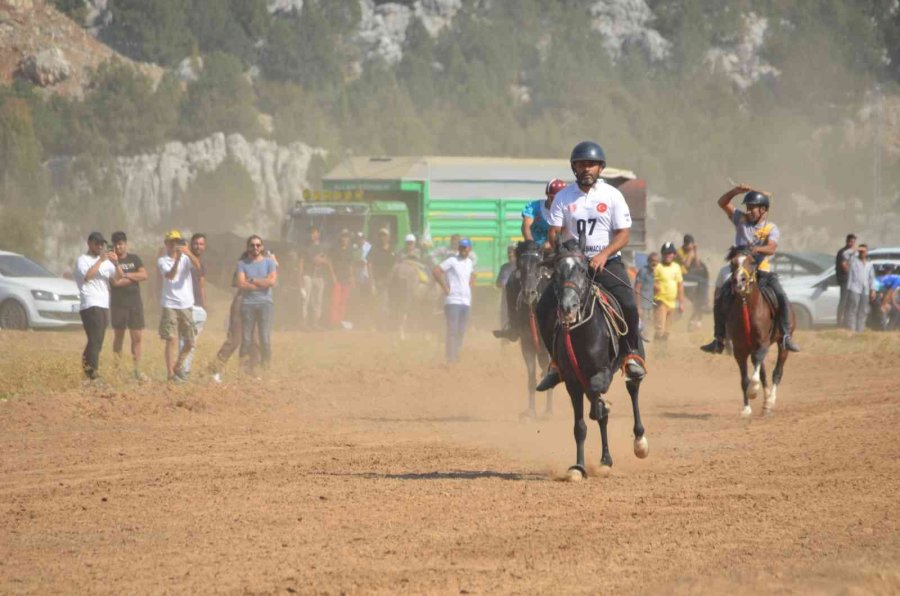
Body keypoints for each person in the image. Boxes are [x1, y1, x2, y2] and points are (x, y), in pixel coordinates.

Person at [536, 141, 647, 390]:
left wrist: (604, 254)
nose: (587, 168)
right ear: (574, 168)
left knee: (628, 303)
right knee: (543, 307)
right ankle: (555, 363)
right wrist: (564, 249)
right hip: (572, 264)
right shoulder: (564, 197)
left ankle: (631, 355)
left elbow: (623, 235)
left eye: (592, 164)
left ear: (600, 168)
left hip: (606, 263)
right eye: (581, 164)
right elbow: (554, 231)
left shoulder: (612, 195)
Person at [700, 185, 801, 354]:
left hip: (761, 270)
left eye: (752, 207)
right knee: (719, 297)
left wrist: (756, 250)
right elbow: (722, 202)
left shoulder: (771, 228)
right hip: (738, 267)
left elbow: (772, 248)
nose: (748, 210)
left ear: (763, 209)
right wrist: (735, 191)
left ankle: (785, 337)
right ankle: (719, 339)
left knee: (781, 297)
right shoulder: (740, 219)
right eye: (747, 207)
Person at [493, 178, 566, 340]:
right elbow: (526, 225)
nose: (556, 201)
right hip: (532, 251)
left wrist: (549, 244)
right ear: (548, 196)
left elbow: (562, 231)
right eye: (553, 197)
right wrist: (531, 242)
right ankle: (513, 325)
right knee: (513, 279)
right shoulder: (533, 207)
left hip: (552, 252)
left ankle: (568, 318)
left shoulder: (566, 211)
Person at [74, 232, 122, 381]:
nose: (100, 246)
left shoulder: (107, 262)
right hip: (90, 303)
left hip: (103, 304)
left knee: (98, 340)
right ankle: (93, 375)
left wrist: (116, 263)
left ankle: (88, 372)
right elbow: (87, 277)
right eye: (97, 243)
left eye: (102, 244)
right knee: (94, 339)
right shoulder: (83, 260)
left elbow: (119, 278)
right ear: (89, 243)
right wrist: (100, 261)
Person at [157, 230, 202, 382]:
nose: (174, 245)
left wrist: (188, 253)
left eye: (177, 242)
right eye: (171, 242)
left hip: (186, 303)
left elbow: (198, 266)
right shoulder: (163, 260)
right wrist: (176, 260)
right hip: (169, 303)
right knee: (171, 339)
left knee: (190, 341)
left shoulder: (187, 259)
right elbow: (170, 276)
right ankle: (170, 374)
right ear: (166, 244)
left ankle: (178, 366)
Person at [108, 231, 148, 380]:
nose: (118, 247)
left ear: (125, 244)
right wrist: (131, 276)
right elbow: (115, 282)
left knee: (137, 338)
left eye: (121, 244)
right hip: (119, 304)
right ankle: (117, 371)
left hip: (135, 303)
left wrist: (125, 275)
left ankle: (136, 370)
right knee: (119, 338)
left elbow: (144, 275)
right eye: (116, 244)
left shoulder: (134, 258)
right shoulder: (109, 262)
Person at [236, 235, 278, 372]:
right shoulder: (242, 264)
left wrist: (252, 280)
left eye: (258, 245)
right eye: (252, 245)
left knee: (264, 337)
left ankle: (266, 366)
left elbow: (272, 282)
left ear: (262, 247)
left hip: (265, 303)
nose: (255, 247)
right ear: (248, 247)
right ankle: (243, 367)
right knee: (247, 338)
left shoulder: (269, 262)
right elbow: (241, 284)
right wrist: (262, 283)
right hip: (248, 304)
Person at [432, 237, 475, 363]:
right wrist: (445, 287)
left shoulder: (469, 263)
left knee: (461, 331)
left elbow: (472, 275)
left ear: (470, 249)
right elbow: (436, 271)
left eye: (465, 247)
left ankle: (455, 354)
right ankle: (450, 358)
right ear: (458, 248)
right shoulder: (452, 261)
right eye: (461, 247)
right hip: (453, 300)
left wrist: (469, 287)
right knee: (452, 330)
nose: (463, 250)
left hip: (465, 301)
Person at [179, 232, 207, 378]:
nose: (198, 246)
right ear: (190, 244)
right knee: (184, 340)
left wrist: (204, 305)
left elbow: (202, 284)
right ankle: (180, 371)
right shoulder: (184, 260)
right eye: (195, 243)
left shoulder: (201, 264)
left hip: (198, 307)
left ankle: (185, 370)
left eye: (201, 244)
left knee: (192, 342)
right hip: (185, 305)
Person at [676, 234, 709, 331]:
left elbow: (698, 265)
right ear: (685, 244)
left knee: (703, 279)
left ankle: (701, 304)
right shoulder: (679, 252)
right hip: (681, 275)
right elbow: (686, 265)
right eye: (689, 245)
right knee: (701, 280)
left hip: (688, 276)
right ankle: (704, 301)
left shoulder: (691, 251)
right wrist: (691, 252)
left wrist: (696, 251)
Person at [653, 242, 685, 342]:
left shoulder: (677, 267)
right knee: (660, 329)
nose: (667, 256)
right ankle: (657, 349)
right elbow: (653, 282)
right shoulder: (658, 267)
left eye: (670, 253)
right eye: (665, 253)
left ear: (674, 255)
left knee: (667, 331)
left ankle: (663, 350)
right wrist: (655, 286)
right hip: (660, 302)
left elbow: (680, 286)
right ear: (662, 255)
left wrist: (681, 303)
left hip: (672, 303)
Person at [299, 226, 328, 330]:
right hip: (308, 275)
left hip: (319, 276)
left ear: (318, 234)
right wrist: (300, 276)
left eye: (315, 233)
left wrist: (321, 260)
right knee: (305, 300)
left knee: (318, 300)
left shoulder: (323, 247)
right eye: (311, 233)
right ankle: (304, 323)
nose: (313, 235)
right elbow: (301, 262)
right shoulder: (305, 247)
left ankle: (316, 323)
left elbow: (327, 261)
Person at [844, 243, 875, 333]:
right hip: (854, 288)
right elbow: (845, 254)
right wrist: (857, 249)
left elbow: (871, 278)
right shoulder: (853, 261)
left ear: (867, 252)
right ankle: (852, 330)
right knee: (853, 309)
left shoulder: (869, 264)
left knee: (863, 311)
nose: (862, 253)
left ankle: (860, 331)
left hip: (865, 290)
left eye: (864, 251)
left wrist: (872, 290)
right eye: (861, 251)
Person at [329, 229, 355, 329]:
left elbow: (350, 264)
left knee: (343, 302)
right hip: (337, 279)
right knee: (335, 301)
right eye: (343, 237)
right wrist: (333, 277)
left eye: (347, 237)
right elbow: (330, 263)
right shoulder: (335, 249)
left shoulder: (350, 250)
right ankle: (333, 322)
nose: (345, 239)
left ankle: (339, 321)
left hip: (346, 279)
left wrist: (352, 277)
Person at [835, 233, 857, 327]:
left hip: (852, 280)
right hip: (845, 279)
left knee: (850, 301)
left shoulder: (853, 252)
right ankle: (839, 322)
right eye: (850, 241)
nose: (852, 243)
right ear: (847, 241)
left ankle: (847, 322)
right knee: (843, 301)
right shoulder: (843, 252)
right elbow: (844, 267)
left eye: (853, 242)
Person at [634, 252, 659, 329]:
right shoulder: (643, 271)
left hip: (653, 306)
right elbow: (637, 289)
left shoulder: (659, 272)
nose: (654, 263)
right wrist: (638, 307)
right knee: (643, 329)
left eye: (656, 261)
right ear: (648, 261)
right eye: (652, 260)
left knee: (653, 328)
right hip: (643, 306)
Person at [495, 245, 517, 333]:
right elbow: (497, 283)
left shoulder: (521, 267)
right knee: (504, 317)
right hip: (506, 298)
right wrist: (500, 284)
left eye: (512, 252)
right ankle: (505, 342)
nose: (510, 255)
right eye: (509, 253)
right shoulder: (504, 267)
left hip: (517, 298)